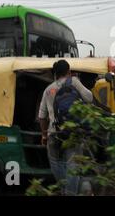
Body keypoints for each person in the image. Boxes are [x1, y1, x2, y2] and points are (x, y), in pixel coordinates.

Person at [38, 60, 94, 195]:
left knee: (56, 163)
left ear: (55, 74)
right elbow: (90, 98)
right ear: (68, 72)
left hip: (54, 134)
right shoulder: (74, 82)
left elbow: (42, 116)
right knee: (73, 166)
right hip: (73, 133)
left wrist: (44, 135)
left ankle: (65, 190)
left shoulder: (48, 89)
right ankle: (71, 192)